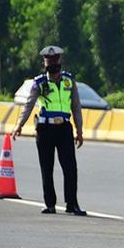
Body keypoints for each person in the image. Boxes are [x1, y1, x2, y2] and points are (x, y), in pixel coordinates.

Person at [11, 46, 86, 216]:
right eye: (49, 60)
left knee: (70, 167)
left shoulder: (69, 81)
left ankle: (72, 204)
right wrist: (19, 125)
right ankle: (50, 203)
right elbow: (28, 105)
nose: (52, 63)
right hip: (45, 129)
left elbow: (76, 107)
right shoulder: (39, 83)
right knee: (47, 167)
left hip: (64, 128)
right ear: (44, 62)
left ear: (60, 61)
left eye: (55, 59)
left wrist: (79, 131)